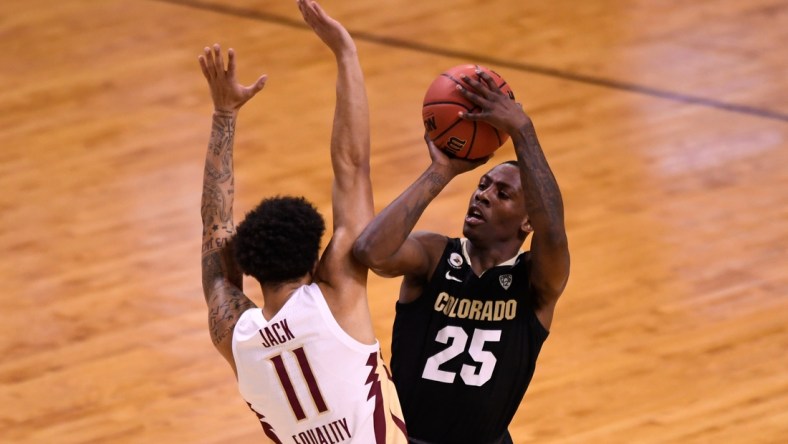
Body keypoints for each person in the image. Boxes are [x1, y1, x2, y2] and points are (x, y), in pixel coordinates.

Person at [198, 1, 407, 442]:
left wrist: (224, 115)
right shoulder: (336, 298)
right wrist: (346, 53)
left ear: (248, 265)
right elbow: (353, 166)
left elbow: (214, 230)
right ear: (315, 260)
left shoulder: (233, 335)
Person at [353, 70, 570, 444]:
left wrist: (523, 131)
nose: (482, 195)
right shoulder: (435, 255)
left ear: (527, 222)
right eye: (482, 185)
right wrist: (440, 172)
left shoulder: (535, 282)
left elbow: (553, 231)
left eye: (502, 194)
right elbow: (371, 251)